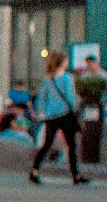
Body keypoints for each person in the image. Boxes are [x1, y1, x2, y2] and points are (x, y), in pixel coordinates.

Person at [28, 53, 88, 185]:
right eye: (66, 60)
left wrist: (40, 111)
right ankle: (75, 175)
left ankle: (35, 171)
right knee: (71, 145)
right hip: (65, 115)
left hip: (50, 116)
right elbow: (71, 97)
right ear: (62, 62)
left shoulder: (47, 79)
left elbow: (41, 98)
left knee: (47, 144)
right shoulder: (67, 78)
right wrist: (75, 108)